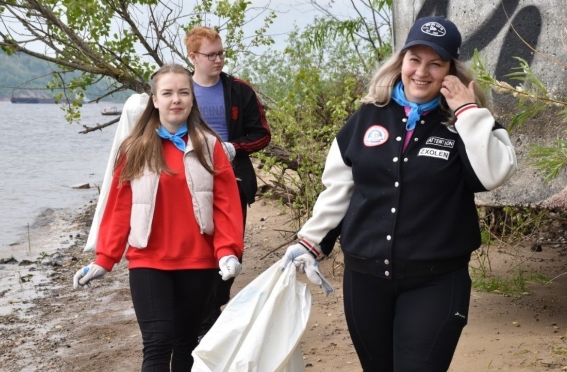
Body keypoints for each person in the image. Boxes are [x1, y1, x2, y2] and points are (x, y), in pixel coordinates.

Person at [280, 16, 517, 372]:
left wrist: (468, 112)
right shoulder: (365, 118)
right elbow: (340, 189)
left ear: (451, 71)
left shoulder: (467, 124)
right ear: (401, 61)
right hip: (365, 280)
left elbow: (493, 174)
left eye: (435, 63)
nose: (422, 72)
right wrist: (309, 242)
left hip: (436, 280)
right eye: (414, 59)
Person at [72, 64, 244, 372]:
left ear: (192, 99)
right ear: (154, 100)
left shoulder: (210, 146)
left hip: (198, 261)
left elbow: (226, 204)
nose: (175, 99)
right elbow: (119, 206)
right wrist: (105, 258)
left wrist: (228, 250)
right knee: (157, 342)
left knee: (186, 343)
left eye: (182, 92)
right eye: (167, 93)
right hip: (148, 261)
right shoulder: (134, 148)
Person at [183, 26, 272, 338]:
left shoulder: (239, 90)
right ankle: (201, 316)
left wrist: (235, 148)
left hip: (232, 182)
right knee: (196, 250)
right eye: (211, 55)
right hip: (188, 185)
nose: (219, 59)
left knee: (231, 250)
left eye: (221, 52)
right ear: (193, 56)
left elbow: (263, 133)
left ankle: (215, 305)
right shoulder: (181, 91)